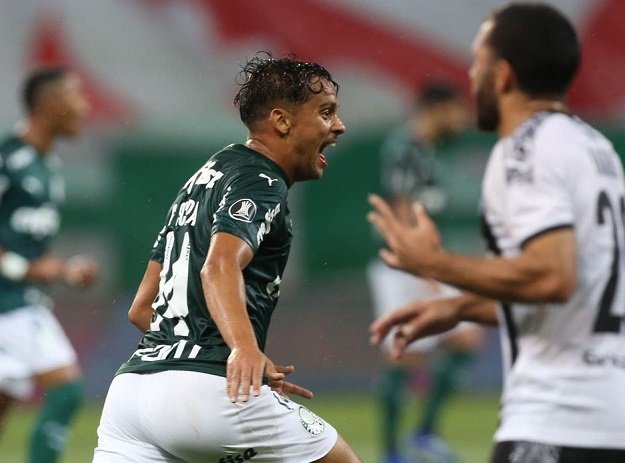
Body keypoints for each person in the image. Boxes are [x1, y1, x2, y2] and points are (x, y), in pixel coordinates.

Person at [368, 3, 625, 462]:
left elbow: (552, 278)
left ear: (502, 75)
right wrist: (460, 307)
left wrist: (434, 264)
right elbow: (576, 289)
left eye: (477, 61)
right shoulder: (595, 147)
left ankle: (410, 440)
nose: (471, 76)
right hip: (608, 412)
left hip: (559, 417)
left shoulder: (526, 150)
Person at [93, 53, 360, 463]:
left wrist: (235, 353)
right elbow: (218, 266)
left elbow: (142, 307)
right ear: (281, 121)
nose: (338, 126)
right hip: (207, 396)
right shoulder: (262, 180)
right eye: (326, 112)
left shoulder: (203, 180)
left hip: (131, 396)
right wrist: (243, 349)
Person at [367, 83, 483, 463]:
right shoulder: (405, 148)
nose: (462, 118)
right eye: (457, 108)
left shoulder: (428, 149)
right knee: (405, 354)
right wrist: (421, 268)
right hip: (405, 266)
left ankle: (424, 434)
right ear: (438, 108)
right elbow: (401, 208)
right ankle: (392, 451)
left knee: (466, 338)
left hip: (426, 262)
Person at [0, 68, 99, 462]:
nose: (85, 106)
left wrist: (65, 270)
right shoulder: (8, 158)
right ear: (47, 104)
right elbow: (24, 263)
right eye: (75, 95)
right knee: (66, 389)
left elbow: (29, 250)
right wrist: (26, 270)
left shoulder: (48, 167)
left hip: (21, 300)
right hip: (8, 303)